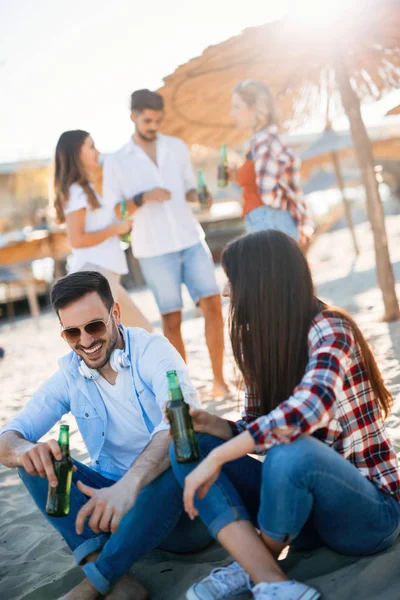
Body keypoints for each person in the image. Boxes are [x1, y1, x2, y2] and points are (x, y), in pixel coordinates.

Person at [169, 230, 400, 600]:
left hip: (367, 517)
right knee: (192, 443)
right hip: (304, 518)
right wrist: (218, 429)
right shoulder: (267, 341)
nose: (226, 292)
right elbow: (259, 429)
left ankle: (254, 568)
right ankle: (267, 576)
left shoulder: (331, 329)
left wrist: (221, 456)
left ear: (262, 283)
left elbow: (306, 412)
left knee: (292, 450)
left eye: (233, 279)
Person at [0, 271, 212, 600]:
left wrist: (130, 486)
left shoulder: (153, 350)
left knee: (175, 457)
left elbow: (181, 420)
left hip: (182, 514)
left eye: (94, 326)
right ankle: (117, 579)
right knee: (38, 462)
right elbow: (8, 436)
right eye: (72, 333)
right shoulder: (70, 373)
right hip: (113, 511)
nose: (85, 341)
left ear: (115, 313)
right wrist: (25, 451)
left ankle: (97, 580)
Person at [103, 89, 230, 399]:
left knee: (213, 305)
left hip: (190, 237)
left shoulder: (176, 147)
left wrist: (200, 196)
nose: (154, 125)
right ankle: (185, 390)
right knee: (172, 319)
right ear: (132, 116)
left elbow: (188, 189)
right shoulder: (117, 161)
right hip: (153, 249)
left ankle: (219, 381)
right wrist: (142, 197)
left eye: (158, 120)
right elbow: (115, 211)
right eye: (148, 120)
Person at [54, 129, 152, 331]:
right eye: (91, 147)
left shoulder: (87, 189)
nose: (97, 151)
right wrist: (114, 228)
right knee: (112, 338)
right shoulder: (76, 191)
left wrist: (119, 226)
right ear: (76, 154)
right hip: (96, 271)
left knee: (143, 333)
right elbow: (77, 240)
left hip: (106, 273)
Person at [230, 80, 314, 246]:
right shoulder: (264, 141)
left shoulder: (263, 141)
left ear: (254, 108)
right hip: (270, 220)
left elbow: (268, 195)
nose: (232, 113)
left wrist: (279, 208)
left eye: (237, 107)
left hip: (268, 221)